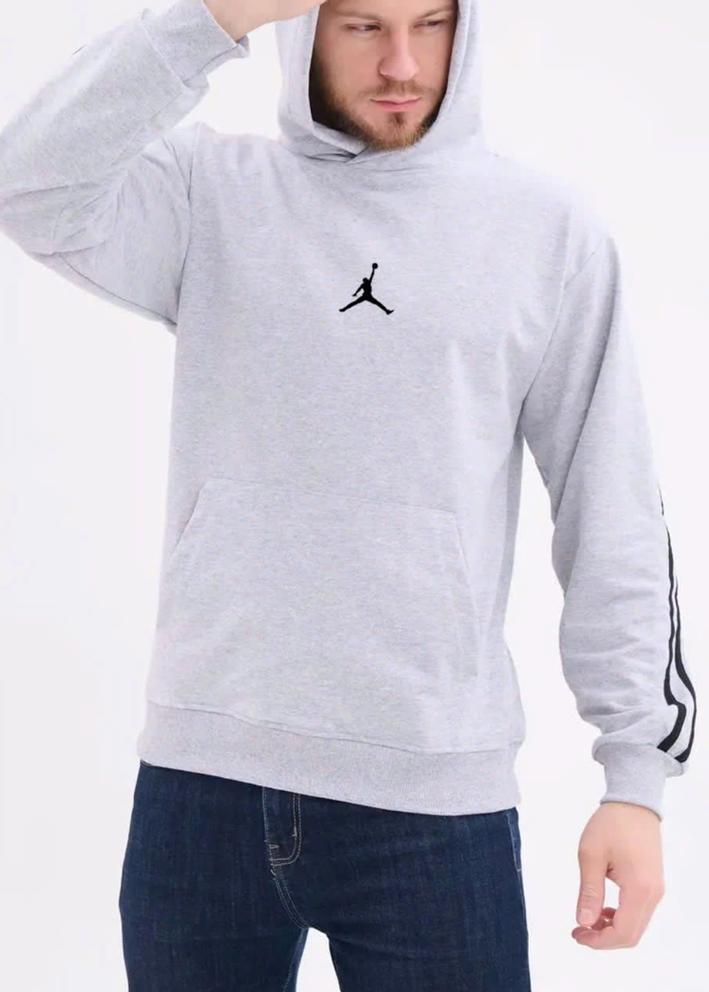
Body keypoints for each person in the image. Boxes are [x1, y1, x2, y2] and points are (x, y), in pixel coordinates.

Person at [0, 0, 697, 987]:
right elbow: (28, 181)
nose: (403, 63)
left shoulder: (546, 234)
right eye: (363, 26)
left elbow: (611, 506)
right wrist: (214, 16)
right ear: (303, 26)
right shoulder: (210, 195)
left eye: (432, 23)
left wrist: (634, 775)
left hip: (431, 806)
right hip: (201, 787)